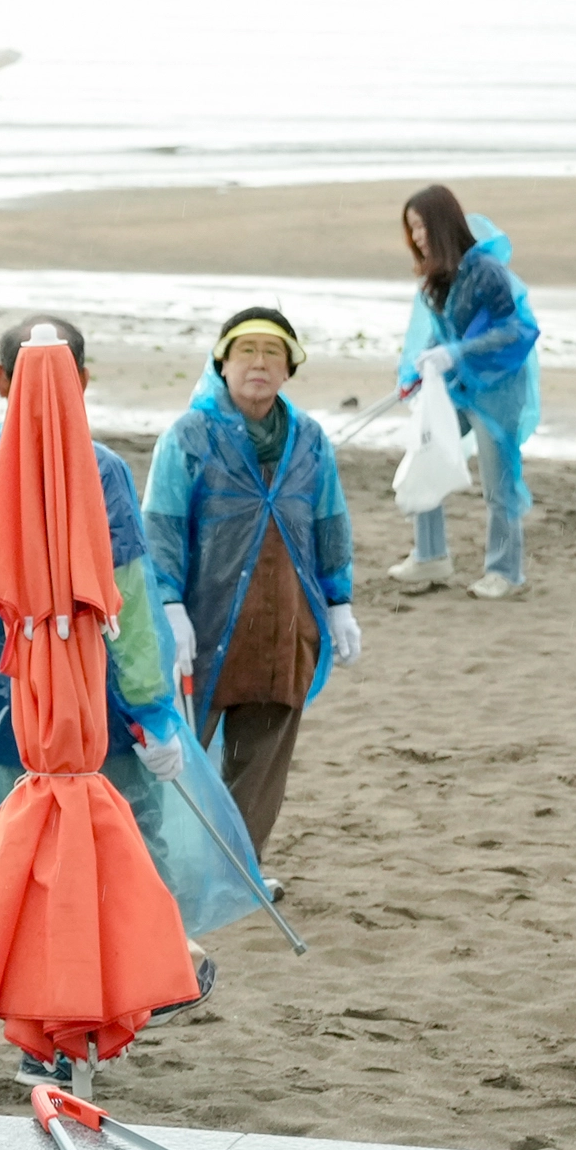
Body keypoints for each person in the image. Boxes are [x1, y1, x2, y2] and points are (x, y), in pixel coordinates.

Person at [0, 316, 252, 1072]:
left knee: (16, 861)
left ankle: (36, 1024)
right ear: (80, 385)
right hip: (92, 714)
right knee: (114, 853)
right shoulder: (98, 471)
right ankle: (114, 993)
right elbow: (126, 602)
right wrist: (151, 709)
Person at [144, 306, 361, 859]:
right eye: (246, 351)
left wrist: (339, 603)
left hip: (285, 621)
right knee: (180, 749)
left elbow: (328, 522)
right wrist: (167, 604)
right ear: (222, 364)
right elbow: (161, 526)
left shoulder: (309, 440)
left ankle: (238, 870)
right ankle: (161, 869)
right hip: (206, 619)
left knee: (263, 756)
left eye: (272, 353)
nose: (259, 364)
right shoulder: (188, 438)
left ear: (289, 368)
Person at [392, 183, 542, 598]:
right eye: (412, 229)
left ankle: (506, 572)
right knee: (426, 453)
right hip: (457, 389)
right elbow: (440, 333)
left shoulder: (487, 272)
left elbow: (518, 330)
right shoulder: (438, 275)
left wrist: (457, 352)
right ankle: (430, 555)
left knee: (498, 485)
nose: (417, 237)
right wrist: (417, 370)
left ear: (441, 224)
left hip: (498, 392)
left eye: (421, 227)